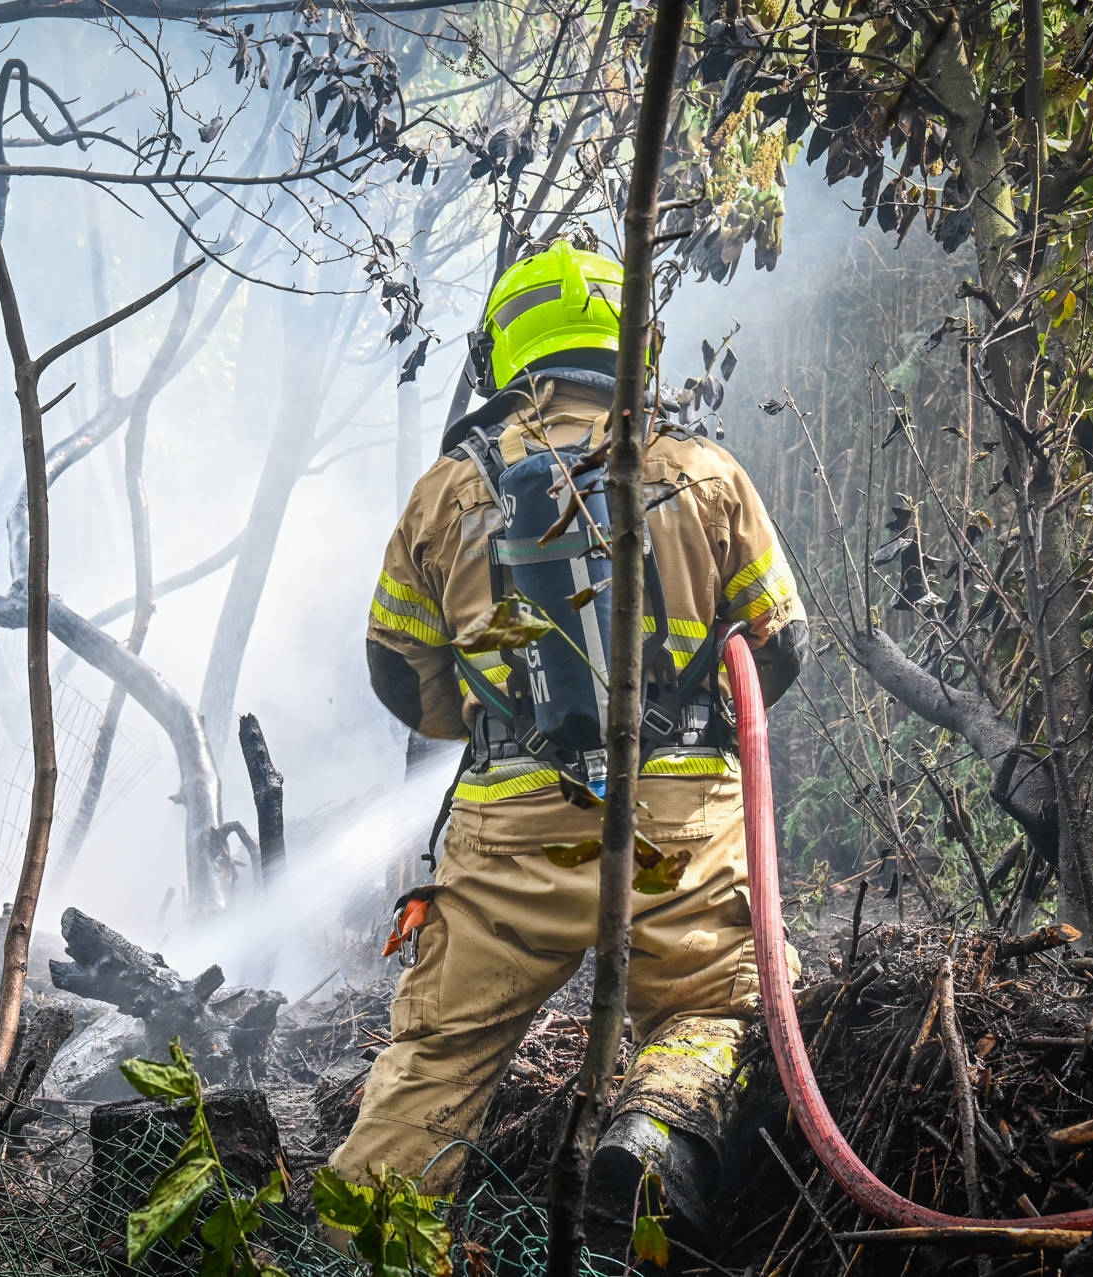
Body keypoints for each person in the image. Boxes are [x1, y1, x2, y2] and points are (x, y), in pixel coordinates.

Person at [327, 240, 807, 1246]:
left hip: (509, 833)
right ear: (636, 342)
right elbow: (783, 646)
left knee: (438, 1057)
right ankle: (656, 1130)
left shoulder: (449, 489)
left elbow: (398, 674)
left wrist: (495, 719)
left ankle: (356, 1247)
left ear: (505, 349)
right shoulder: (704, 470)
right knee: (722, 1004)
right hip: (677, 827)